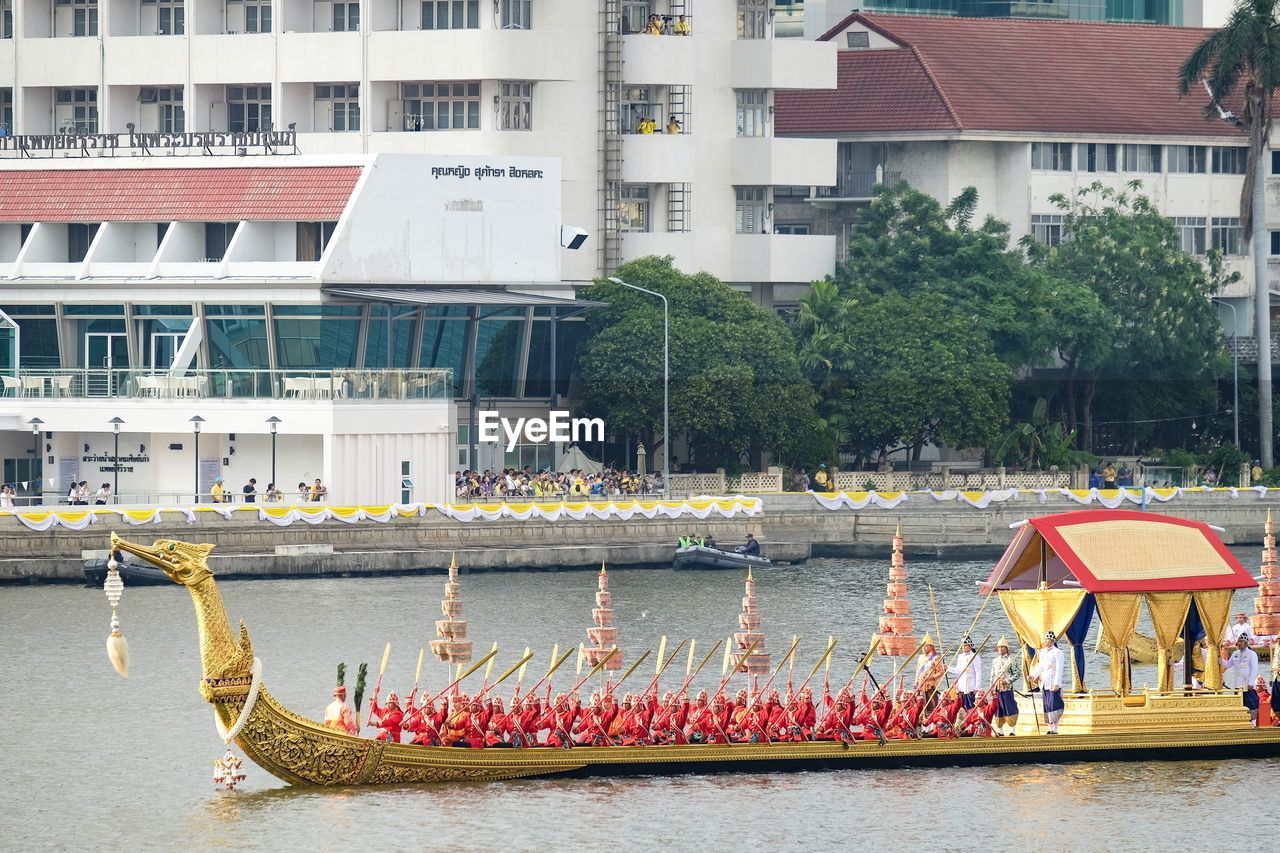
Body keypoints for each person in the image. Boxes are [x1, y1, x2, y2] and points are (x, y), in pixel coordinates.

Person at [1031, 631, 1065, 734]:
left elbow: (1059, 669)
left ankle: (1055, 729)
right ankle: (1050, 728)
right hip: (1045, 682)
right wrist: (1033, 675)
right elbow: (1040, 666)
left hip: (1053, 682)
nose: (1047, 642)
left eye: (1049, 640)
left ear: (1053, 641)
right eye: (1045, 640)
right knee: (1047, 705)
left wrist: (1057, 683)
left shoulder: (1058, 652)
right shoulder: (1043, 652)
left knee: (1054, 705)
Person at [1222, 635, 1261, 726]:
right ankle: (1242, 723)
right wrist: (1218, 657)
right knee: (1240, 704)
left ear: (1246, 643)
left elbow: (1254, 669)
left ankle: (1253, 724)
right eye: (1238, 641)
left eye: (1241, 641)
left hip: (1248, 684)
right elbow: (1227, 665)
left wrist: (1251, 683)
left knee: (1252, 704)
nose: (1238, 643)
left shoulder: (1252, 654)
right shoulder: (1235, 653)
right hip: (1238, 685)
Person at [989, 637, 1021, 736]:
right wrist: (991, 687)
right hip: (997, 688)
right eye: (999, 647)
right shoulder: (995, 660)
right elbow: (992, 675)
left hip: (1007, 688)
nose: (1001, 649)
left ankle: (1012, 730)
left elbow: (1017, 673)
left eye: (1003, 647)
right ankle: (1000, 730)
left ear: (1006, 648)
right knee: (998, 708)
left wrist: (1007, 681)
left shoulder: (1011, 660)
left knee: (1009, 707)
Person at [949, 636, 983, 710]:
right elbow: (958, 670)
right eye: (962, 645)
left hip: (971, 685)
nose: (963, 647)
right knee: (962, 706)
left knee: (971, 706)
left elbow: (978, 673)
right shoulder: (960, 656)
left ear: (970, 646)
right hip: (961, 685)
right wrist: (947, 668)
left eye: (965, 645)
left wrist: (977, 686)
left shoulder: (975, 656)